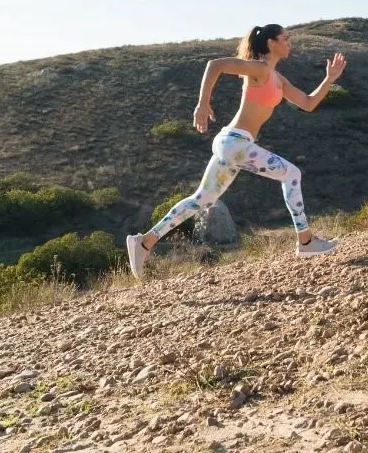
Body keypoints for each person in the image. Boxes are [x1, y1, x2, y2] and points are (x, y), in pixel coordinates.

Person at [125, 24, 346, 278]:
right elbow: (214, 65)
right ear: (272, 43)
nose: (290, 43)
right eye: (286, 38)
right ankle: (306, 241)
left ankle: (144, 242)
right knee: (292, 174)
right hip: (235, 143)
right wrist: (202, 104)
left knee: (202, 200)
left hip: (233, 145)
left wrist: (329, 79)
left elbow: (307, 103)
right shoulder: (260, 69)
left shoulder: (278, 79)